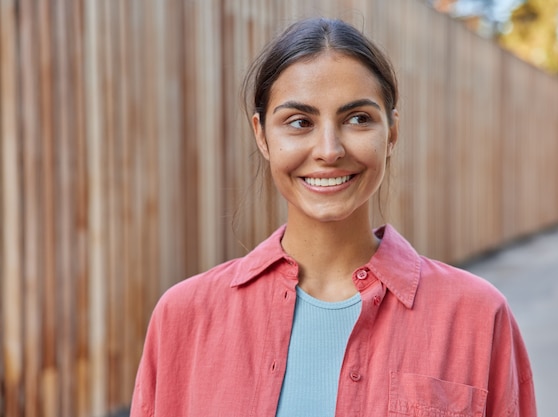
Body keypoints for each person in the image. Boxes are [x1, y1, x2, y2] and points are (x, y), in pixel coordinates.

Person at [130, 17, 536, 417]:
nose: (329, 149)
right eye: (299, 122)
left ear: (391, 133)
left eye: (358, 118)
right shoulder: (183, 316)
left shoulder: (478, 317)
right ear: (261, 135)